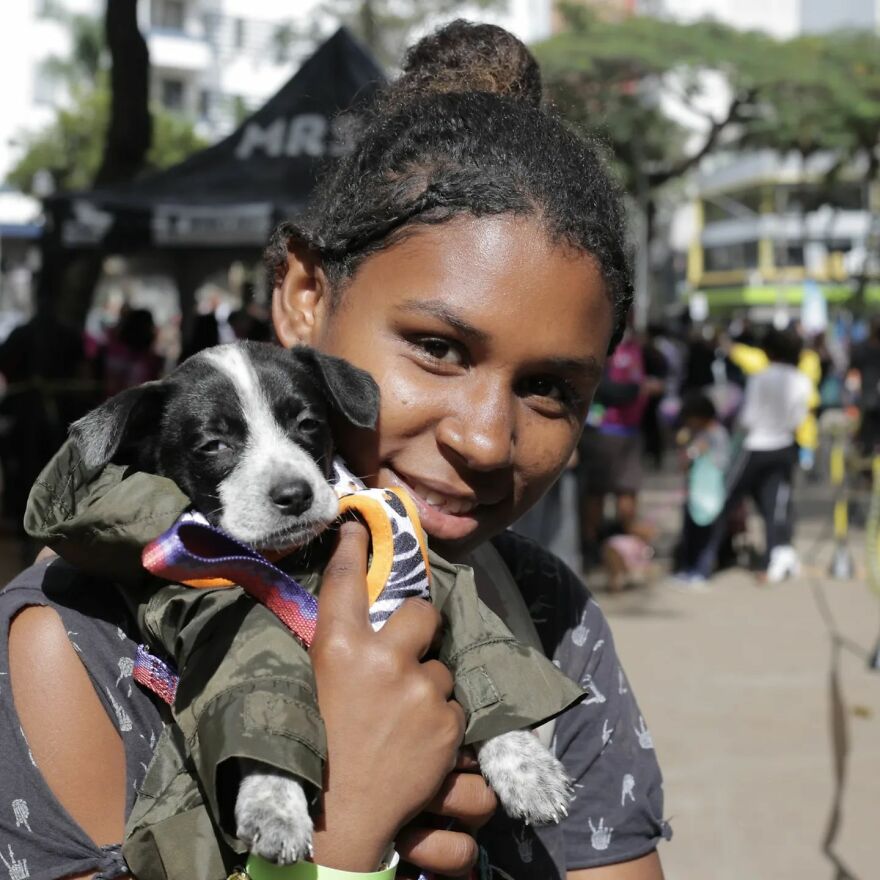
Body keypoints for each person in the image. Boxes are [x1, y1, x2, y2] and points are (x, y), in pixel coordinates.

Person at [1, 20, 668, 880]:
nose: (483, 438)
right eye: (437, 347)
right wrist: (344, 833)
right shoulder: (75, 646)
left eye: (550, 388)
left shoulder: (545, 615)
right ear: (305, 297)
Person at [694, 327, 811, 583]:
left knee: (723, 501)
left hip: (754, 446)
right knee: (773, 507)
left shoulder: (760, 377)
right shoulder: (801, 380)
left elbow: (747, 418)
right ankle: (772, 561)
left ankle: (702, 564)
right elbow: (799, 419)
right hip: (783, 447)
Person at [672, 392, 731, 586]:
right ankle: (687, 568)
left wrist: (704, 453)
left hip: (712, 496)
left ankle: (702, 571)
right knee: (690, 534)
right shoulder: (694, 435)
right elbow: (685, 463)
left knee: (708, 536)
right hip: (693, 495)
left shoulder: (718, 434)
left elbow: (723, 464)